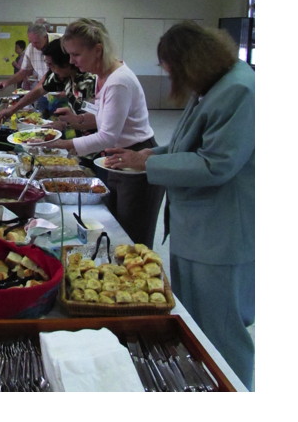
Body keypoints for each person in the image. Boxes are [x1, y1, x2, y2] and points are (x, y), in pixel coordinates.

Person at [103, 21, 255, 390]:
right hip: (197, 226)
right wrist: (149, 152)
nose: (170, 78)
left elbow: (215, 163)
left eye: (171, 70)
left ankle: (233, 390)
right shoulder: (212, 83)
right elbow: (187, 142)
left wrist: (147, 164)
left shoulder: (237, 89)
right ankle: (201, 387)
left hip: (221, 231)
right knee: (192, 318)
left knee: (221, 326)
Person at [43, 18, 165, 249]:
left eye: (76, 55)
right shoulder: (103, 75)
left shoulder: (118, 81)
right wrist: (76, 121)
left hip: (136, 156)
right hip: (116, 156)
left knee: (132, 239)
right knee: (115, 227)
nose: (71, 61)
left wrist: (61, 145)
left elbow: (107, 135)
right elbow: (105, 119)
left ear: (98, 50)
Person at [0, 38, 96, 139]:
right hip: (81, 137)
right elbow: (39, 89)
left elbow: (99, 120)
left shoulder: (88, 81)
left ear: (66, 63)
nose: (49, 69)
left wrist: (66, 125)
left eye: (51, 64)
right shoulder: (61, 75)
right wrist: (12, 110)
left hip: (96, 140)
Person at [0, 20, 60, 94]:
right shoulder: (30, 48)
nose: (34, 45)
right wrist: (7, 82)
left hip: (62, 90)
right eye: (31, 42)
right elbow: (24, 72)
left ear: (45, 36)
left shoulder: (61, 41)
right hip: (43, 90)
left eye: (36, 42)